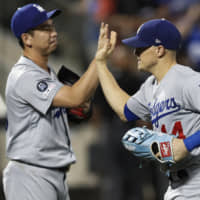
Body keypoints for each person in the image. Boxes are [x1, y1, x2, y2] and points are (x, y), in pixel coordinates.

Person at [3, 3, 115, 200]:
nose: (53, 32)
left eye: (52, 26)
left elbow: (75, 105)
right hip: (31, 174)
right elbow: (74, 97)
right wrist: (99, 61)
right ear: (26, 38)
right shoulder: (25, 75)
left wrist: (79, 109)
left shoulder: (48, 73)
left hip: (52, 173)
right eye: (44, 29)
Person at [95, 18, 200, 199]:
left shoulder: (186, 80)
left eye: (141, 47)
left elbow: (183, 148)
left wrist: (186, 144)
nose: (135, 52)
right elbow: (123, 110)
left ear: (159, 50)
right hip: (177, 184)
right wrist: (101, 64)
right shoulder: (151, 86)